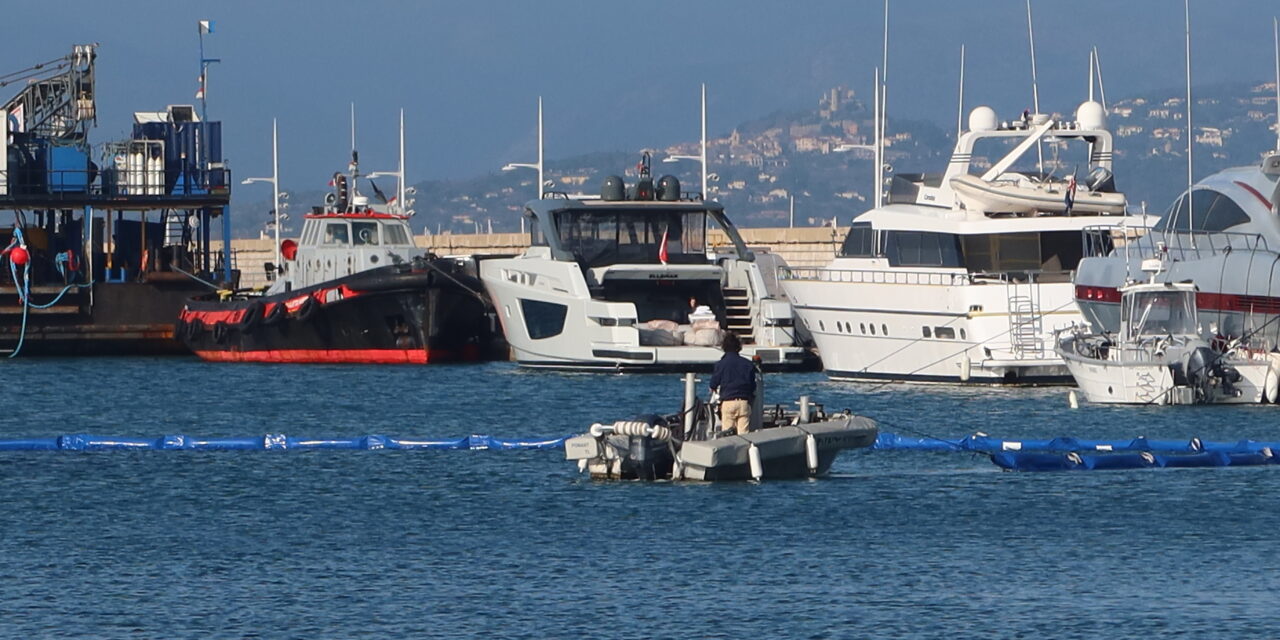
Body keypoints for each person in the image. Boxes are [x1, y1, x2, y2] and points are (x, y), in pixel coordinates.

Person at [709, 333, 756, 436]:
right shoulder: (748, 364)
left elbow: (713, 384)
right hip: (743, 402)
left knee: (727, 435)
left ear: (724, 347)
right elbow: (753, 387)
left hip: (728, 402)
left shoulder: (720, 364)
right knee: (744, 435)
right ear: (739, 347)